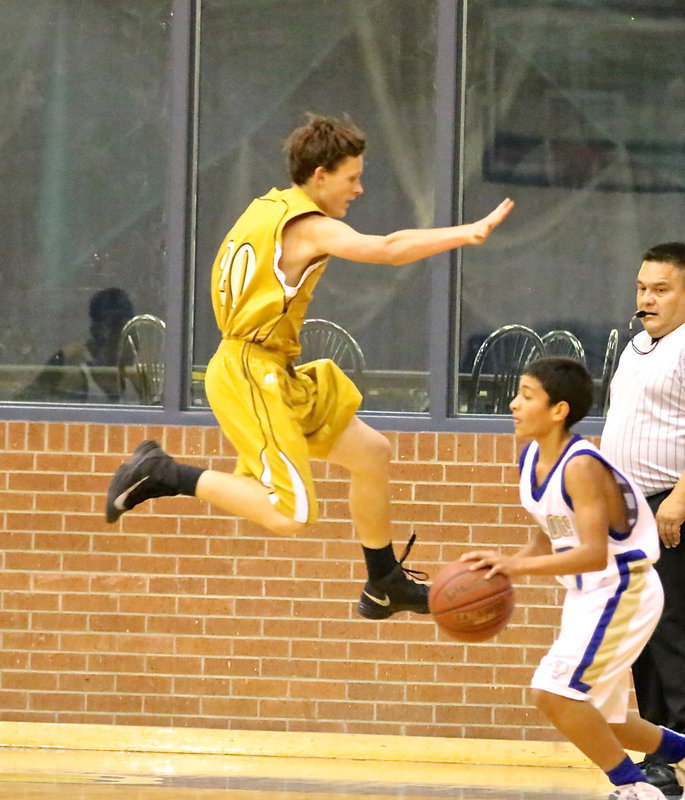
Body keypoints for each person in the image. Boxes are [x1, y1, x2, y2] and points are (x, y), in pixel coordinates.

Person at [104, 112, 514, 619]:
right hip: (251, 372)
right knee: (289, 512)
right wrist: (466, 234)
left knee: (371, 453)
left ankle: (382, 580)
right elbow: (386, 249)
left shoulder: (267, 207)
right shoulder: (309, 227)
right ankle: (163, 472)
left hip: (269, 364)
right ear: (320, 175)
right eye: (352, 178)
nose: (359, 189)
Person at [461, 356, 685, 800]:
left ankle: (635, 788)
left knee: (553, 692)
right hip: (589, 596)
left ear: (558, 410)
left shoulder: (581, 465)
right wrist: (505, 564)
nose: (513, 405)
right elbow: (548, 539)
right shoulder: (530, 460)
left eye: (526, 396)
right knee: (610, 720)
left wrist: (516, 568)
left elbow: (591, 553)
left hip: (624, 586)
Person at [601, 242, 685, 798]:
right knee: (643, 634)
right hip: (629, 509)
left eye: (660, 289)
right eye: (641, 288)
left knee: (674, 633)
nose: (646, 299)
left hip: (670, 506)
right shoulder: (637, 346)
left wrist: (680, 498)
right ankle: (659, 756)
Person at [17, 287, 134, 403]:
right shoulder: (72, 366)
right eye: (115, 327)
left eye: (125, 329)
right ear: (96, 329)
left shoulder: (130, 379)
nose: (118, 336)